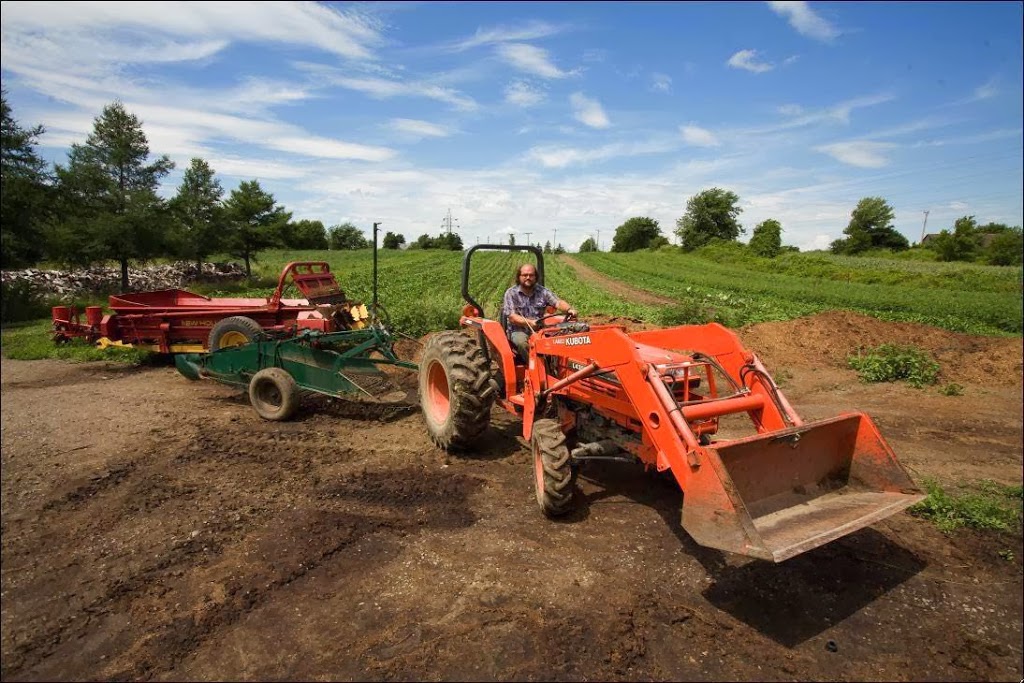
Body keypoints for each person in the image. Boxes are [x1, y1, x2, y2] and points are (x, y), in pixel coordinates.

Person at [502, 263, 577, 361]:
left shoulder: (542, 291)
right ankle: (536, 368)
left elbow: (557, 302)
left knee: (560, 340)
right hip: (518, 330)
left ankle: (556, 366)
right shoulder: (511, 293)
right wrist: (529, 322)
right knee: (522, 343)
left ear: (535, 277)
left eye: (531, 275)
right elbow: (512, 317)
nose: (528, 277)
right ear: (519, 277)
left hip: (540, 330)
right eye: (525, 275)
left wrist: (569, 309)